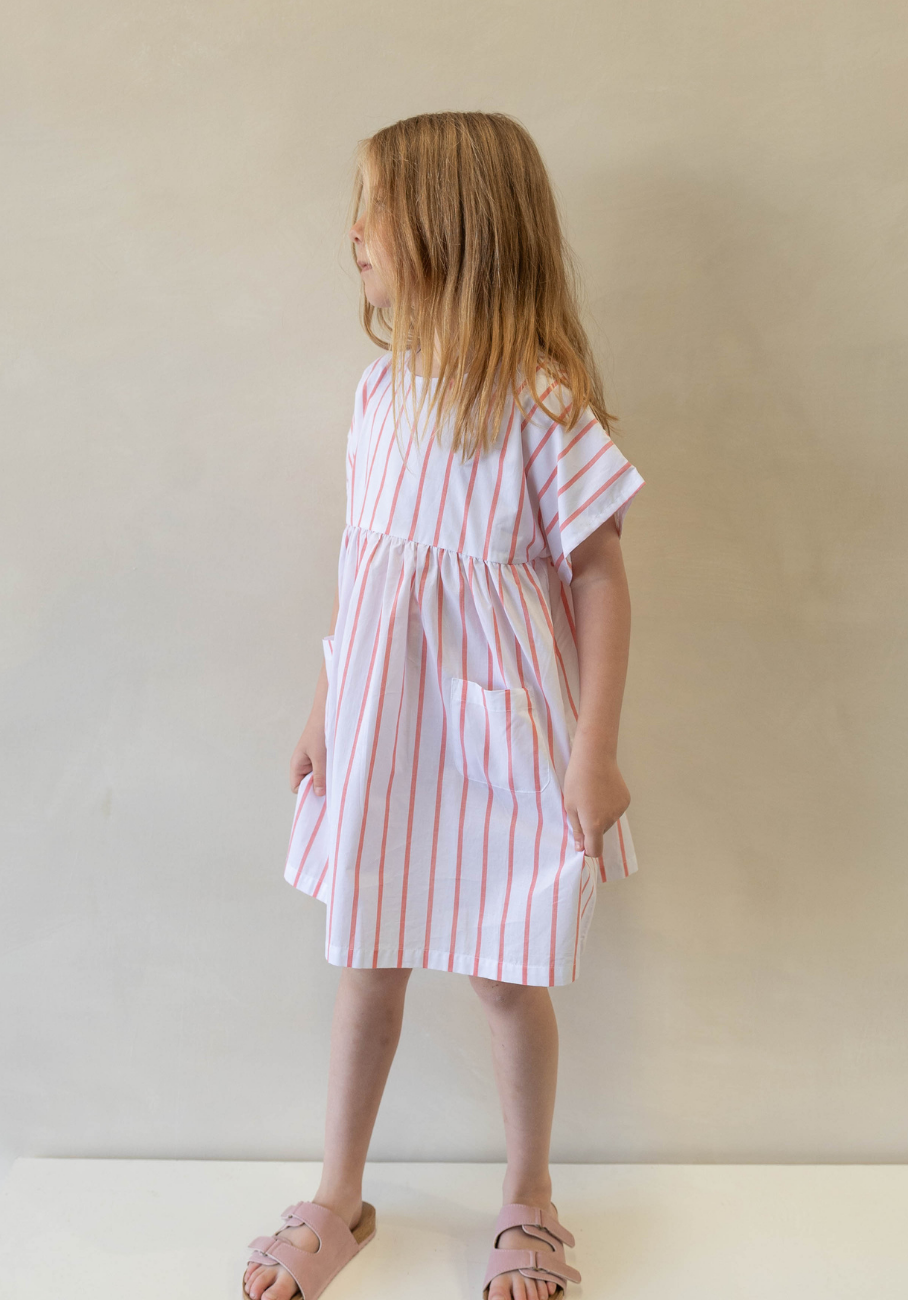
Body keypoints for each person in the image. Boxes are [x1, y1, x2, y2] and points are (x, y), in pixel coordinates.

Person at [242, 110, 645, 1300]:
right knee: (367, 957)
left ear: (450, 232)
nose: (353, 235)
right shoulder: (378, 395)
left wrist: (593, 749)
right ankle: (337, 1193)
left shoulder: (541, 408)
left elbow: (599, 579)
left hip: (499, 738)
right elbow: (364, 572)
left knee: (507, 974)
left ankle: (529, 1194)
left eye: (374, 213)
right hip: (382, 730)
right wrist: (325, 701)